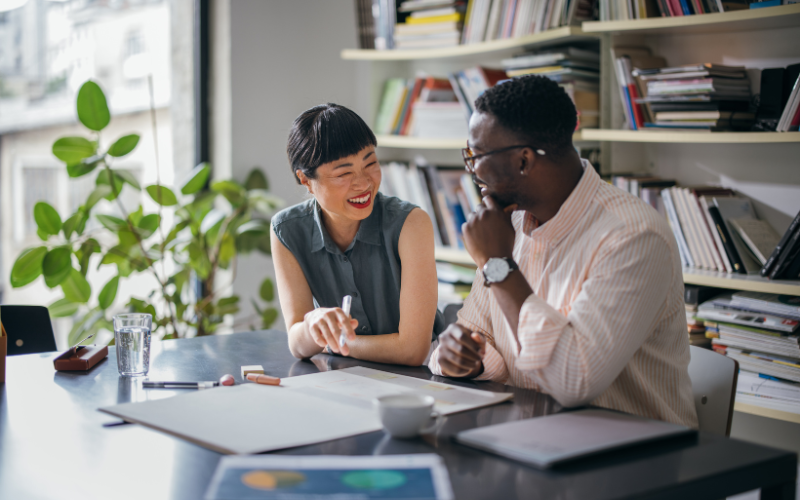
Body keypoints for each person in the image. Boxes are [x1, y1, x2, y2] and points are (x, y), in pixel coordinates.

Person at [428, 76, 698, 428]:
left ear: (524, 161)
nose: (472, 171)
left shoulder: (632, 237)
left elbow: (574, 380)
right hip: (533, 434)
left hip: (630, 455)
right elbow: (483, 336)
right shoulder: (508, 224)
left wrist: (498, 265)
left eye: (476, 156)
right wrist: (468, 359)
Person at [271, 103, 445, 366]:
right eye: (344, 173)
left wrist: (332, 343)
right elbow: (297, 342)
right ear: (306, 180)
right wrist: (312, 325)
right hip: (346, 377)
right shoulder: (287, 229)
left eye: (370, 163)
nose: (364, 183)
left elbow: (412, 350)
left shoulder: (411, 223)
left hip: (423, 375)